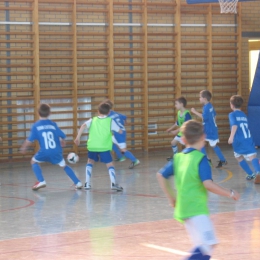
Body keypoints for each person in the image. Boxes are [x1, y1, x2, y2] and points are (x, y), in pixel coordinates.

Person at [156, 120, 240, 260]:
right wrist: (230, 193)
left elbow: (160, 175)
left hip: (183, 209)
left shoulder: (178, 158)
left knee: (202, 246)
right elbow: (208, 184)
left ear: (183, 140)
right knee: (208, 245)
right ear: (203, 137)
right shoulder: (201, 159)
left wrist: (171, 197)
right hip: (196, 209)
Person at [20, 103, 83, 191]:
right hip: (56, 151)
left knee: (33, 161)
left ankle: (41, 181)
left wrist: (24, 147)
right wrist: (62, 141)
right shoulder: (53, 124)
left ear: (38, 113)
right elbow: (62, 136)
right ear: (50, 113)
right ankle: (78, 182)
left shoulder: (36, 126)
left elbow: (29, 140)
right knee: (64, 165)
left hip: (44, 151)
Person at [74, 102, 123, 191]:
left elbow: (83, 125)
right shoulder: (110, 121)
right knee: (109, 164)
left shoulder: (92, 120)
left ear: (98, 111)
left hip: (92, 146)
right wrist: (119, 131)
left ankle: (87, 183)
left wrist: (78, 137)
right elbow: (119, 131)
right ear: (109, 113)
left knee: (90, 162)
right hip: (104, 147)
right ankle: (113, 184)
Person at [191, 90, 227, 168]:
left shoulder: (207, 107)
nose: (199, 99)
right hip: (211, 128)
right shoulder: (210, 106)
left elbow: (204, 117)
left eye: (200, 97)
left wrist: (194, 112)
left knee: (204, 143)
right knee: (209, 144)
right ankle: (221, 160)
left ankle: (209, 160)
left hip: (209, 130)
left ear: (205, 98)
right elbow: (215, 115)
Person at [228, 95, 260, 183]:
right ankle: (258, 171)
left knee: (238, 157)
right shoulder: (244, 115)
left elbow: (234, 125)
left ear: (232, 105)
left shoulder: (232, 114)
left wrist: (231, 137)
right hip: (248, 138)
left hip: (238, 140)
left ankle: (250, 174)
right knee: (252, 156)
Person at [105, 99, 140, 169]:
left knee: (123, 150)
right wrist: (125, 122)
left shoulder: (107, 117)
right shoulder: (115, 113)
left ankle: (135, 160)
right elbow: (124, 116)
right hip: (119, 133)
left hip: (120, 134)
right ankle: (120, 157)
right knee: (109, 141)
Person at [166, 96, 192, 161]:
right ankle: (176, 156)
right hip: (181, 132)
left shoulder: (187, 114)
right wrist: (170, 129)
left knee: (188, 147)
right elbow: (177, 123)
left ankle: (190, 158)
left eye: (176, 104)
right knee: (173, 143)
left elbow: (186, 125)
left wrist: (176, 131)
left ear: (181, 104)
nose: (175, 105)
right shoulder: (178, 113)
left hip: (187, 133)